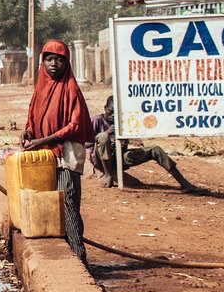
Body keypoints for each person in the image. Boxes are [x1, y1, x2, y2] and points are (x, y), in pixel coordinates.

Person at [23, 40, 96, 263]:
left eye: (59, 60)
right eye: (49, 59)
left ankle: (79, 257)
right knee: (51, 203)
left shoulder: (70, 88)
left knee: (67, 202)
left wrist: (44, 139)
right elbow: (33, 115)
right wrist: (28, 131)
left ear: (67, 62)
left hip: (67, 153)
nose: (54, 64)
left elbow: (75, 125)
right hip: (45, 154)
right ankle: (67, 254)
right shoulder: (40, 87)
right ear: (42, 61)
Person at [91, 96, 200, 192]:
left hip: (118, 158)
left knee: (155, 149)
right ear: (105, 108)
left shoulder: (124, 122)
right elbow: (87, 144)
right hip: (100, 160)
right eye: (110, 112)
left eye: (117, 113)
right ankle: (108, 175)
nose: (113, 116)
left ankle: (184, 183)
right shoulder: (97, 120)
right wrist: (107, 133)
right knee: (103, 137)